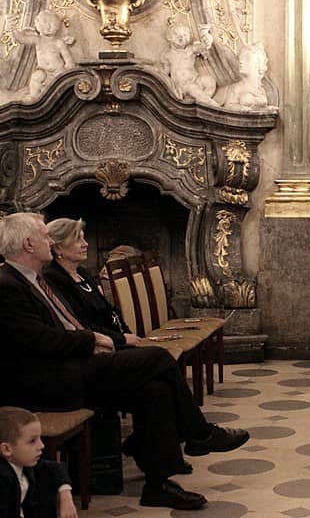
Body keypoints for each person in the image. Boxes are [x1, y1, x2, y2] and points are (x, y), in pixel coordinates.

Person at [0, 213, 250, 511]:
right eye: (45, 236)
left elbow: (67, 325)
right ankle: (199, 433)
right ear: (28, 244)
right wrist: (92, 340)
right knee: (157, 358)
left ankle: (158, 485)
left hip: (71, 367)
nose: (50, 240)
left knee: (154, 389)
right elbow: (40, 341)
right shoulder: (8, 285)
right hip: (50, 382)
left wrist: (96, 340)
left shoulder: (34, 279)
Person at [43, 218, 137, 349]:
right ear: (58, 248)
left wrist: (127, 334)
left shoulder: (82, 272)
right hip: (96, 346)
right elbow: (82, 324)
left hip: (117, 339)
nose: (85, 244)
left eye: (84, 238)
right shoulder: (54, 278)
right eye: (78, 239)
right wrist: (122, 339)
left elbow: (110, 311)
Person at [0, 407, 76, 518]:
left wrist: (65, 495)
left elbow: (56, 467)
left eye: (40, 438)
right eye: (32, 441)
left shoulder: (22, 462)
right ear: (7, 449)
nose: (42, 445)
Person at [14, 10, 75, 102]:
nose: (48, 26)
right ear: (38, 24)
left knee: (61, 83)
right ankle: (33, 96)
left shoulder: (59, 42)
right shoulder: (38, 40)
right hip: (43, 70)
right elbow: (22, 39)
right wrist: (13, 29)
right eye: (45, 22)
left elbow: (67, 58)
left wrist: (69, 66)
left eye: (52, 23)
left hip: (58, 70)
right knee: (36, 77)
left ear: (57, 27)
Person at [159, 24, 218, 106]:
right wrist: (172, 88)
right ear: (169, 37)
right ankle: (211, 104)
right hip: (182, 85)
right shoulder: (167, 55)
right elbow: (165, 74)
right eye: (176, 34)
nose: (181, 37)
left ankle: (201, 101)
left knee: (210, 81)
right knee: (192, 88)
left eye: (184, 35)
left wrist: (206, 38)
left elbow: (202, 46)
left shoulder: (190, 49)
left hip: (195, 79)